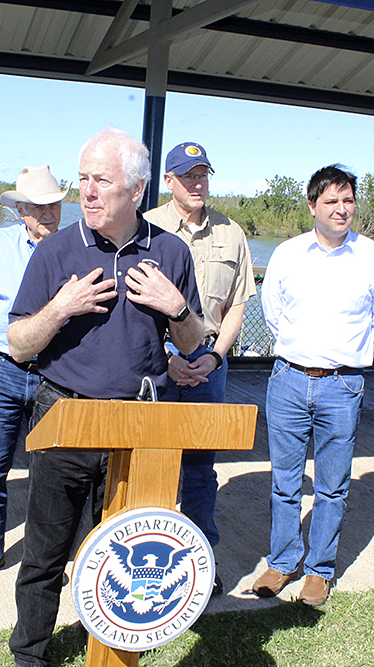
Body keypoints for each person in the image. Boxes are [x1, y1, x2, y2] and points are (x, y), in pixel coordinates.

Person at [6, 127, 204, 667]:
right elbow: (20, 345)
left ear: (137, 190)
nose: (88, 192)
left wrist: (176, 308)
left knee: (128, 554)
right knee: (45, 553)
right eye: (83, 180)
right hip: (65, 415)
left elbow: (190, 344)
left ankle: (116, 648)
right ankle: (30, 654)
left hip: (142, 425)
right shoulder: (55, 250)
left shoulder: (171, 252)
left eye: (102, 181)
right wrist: (60, 308)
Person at [253, 164, 374, 606]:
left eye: (348, 200)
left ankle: (320, 570)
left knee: (333, 485)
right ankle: (281, 562)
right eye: (331, 201)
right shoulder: (287, 254)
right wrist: (305, 353)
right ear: (313, 205)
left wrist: (347, 358)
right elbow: (272, 312)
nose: (341, 209)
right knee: (285, 480)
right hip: (289, 381)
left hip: (342, 385)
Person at [143, 142, 256, 594]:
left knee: (200, 469)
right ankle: (148, 563)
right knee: (151, 464)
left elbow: (237, 305)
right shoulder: (146, 227)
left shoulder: (233, 233)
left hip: (210, 364)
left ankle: (199, 564)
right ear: (168, 181)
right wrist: (169, 359)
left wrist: (214, 356)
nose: (197, 183)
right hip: (155, 364)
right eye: (187, 175)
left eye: (203, 174)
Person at [0, 165, 68, 588]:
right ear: (19, 208)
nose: (48, 213)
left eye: (54, 205)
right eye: (38, 206)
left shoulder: (75, 251)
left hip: (53, 373)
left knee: (53, 470)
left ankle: (46, 558)